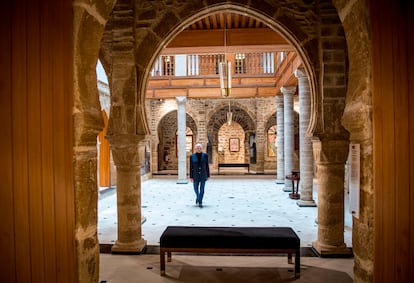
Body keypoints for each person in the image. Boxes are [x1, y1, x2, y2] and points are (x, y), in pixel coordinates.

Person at [189, 143, 210, 208]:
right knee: (195, 188)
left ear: (202, 149)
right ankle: (198, 197)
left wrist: (208, 175)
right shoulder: (192, 156)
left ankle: (200, 201)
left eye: (200, 148)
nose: (199, 149)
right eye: (197, 148)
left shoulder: (205, 155)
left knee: (202, 188)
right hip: (195, 175)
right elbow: (191, 167)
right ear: (195, 149)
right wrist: (191, 176)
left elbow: (207, 166)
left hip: (203, 174)